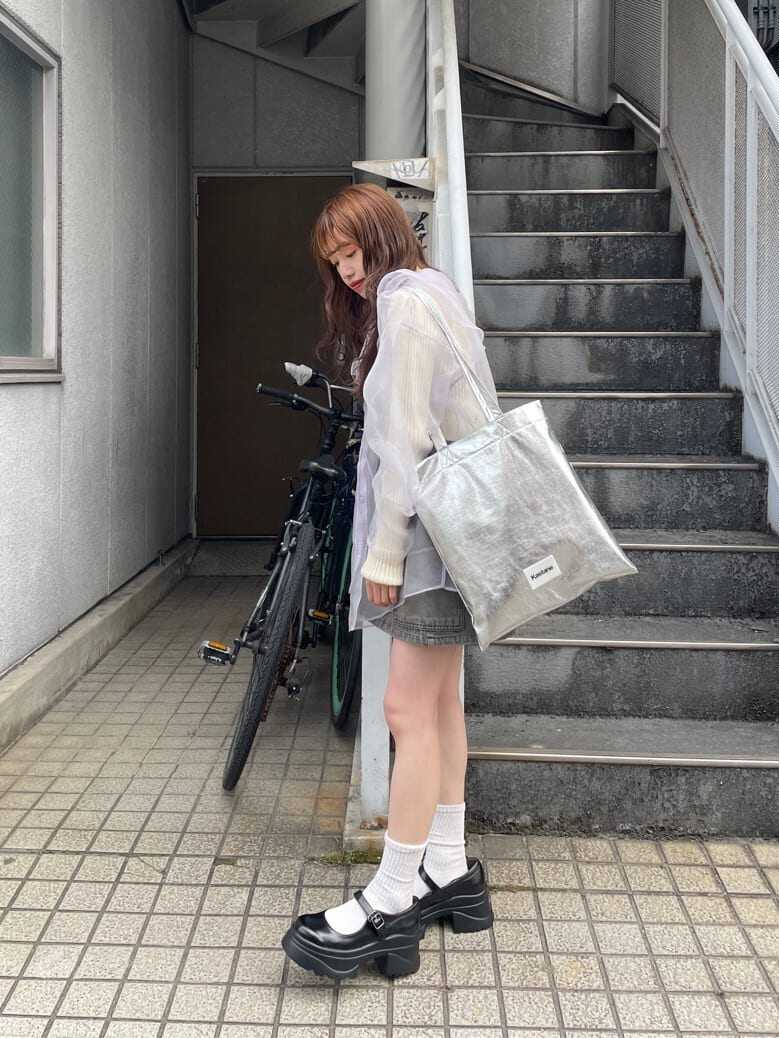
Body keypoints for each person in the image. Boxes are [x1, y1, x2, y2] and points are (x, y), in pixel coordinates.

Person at [280, 182, 497, 980]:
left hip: (427, 535)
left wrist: (383, 551)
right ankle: (448, 869)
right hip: (455, 528)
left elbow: (405, 438)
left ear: (383, 235)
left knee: (407, 710)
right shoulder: (432, 291)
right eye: (334, 259)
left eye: (352, 250)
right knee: (437, 706)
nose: (345, 270)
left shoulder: (404, 302)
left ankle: (393, 898)